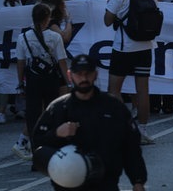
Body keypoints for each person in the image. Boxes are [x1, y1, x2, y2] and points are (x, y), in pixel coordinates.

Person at [32, 54, 147, 191]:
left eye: (88, 73)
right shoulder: (58, 108)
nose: (84, 78)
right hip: (68, 184)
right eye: (79, 74)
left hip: (105, 183)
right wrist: (56, 134)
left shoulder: (113, 107)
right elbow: (38, 144)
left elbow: (131, 146)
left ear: (96, 74)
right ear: (70, 75)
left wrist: (138, 181)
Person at [102, 0, 157, 144]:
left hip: (124, 48)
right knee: (143, 91)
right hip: (146, 47)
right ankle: (142, 130)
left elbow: (107, 21)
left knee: (113, 89)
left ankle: (123, 126)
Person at [13, 3, 70, 161]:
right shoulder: (55, 37)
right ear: (47, 18)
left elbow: (20, 63)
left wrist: (20, 83)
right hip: (50, 78)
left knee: (33, 117)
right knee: (52, 114)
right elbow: (62, 61)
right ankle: (51, 150)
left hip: (33, 79)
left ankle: (35, 153)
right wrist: (69, 82)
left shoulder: (23, 37)